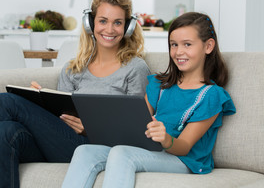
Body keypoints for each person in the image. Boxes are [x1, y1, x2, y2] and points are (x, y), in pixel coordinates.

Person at [0, 0, 151, 188]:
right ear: (90, 23)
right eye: (103, 21)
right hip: (62, 142)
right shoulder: (74, 68)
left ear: (128, 27)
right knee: (5, 130)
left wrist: (91, 127)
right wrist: (39, 102)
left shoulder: (135, 68)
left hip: (93, 149)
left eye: (118, 22)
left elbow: (133, 132)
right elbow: (59, 120)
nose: (109, 29)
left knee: (4, 102)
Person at [61, 12, 236, 188]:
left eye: (187, 45)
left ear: (208, 46)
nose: (178, 52)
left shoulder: (211, 95)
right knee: (84, 151)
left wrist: (166, 139)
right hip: (153, 150)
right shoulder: (160, 84)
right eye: (174, 45)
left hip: (184, 160)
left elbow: (184, 147)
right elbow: (135, 126)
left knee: (122, 154)